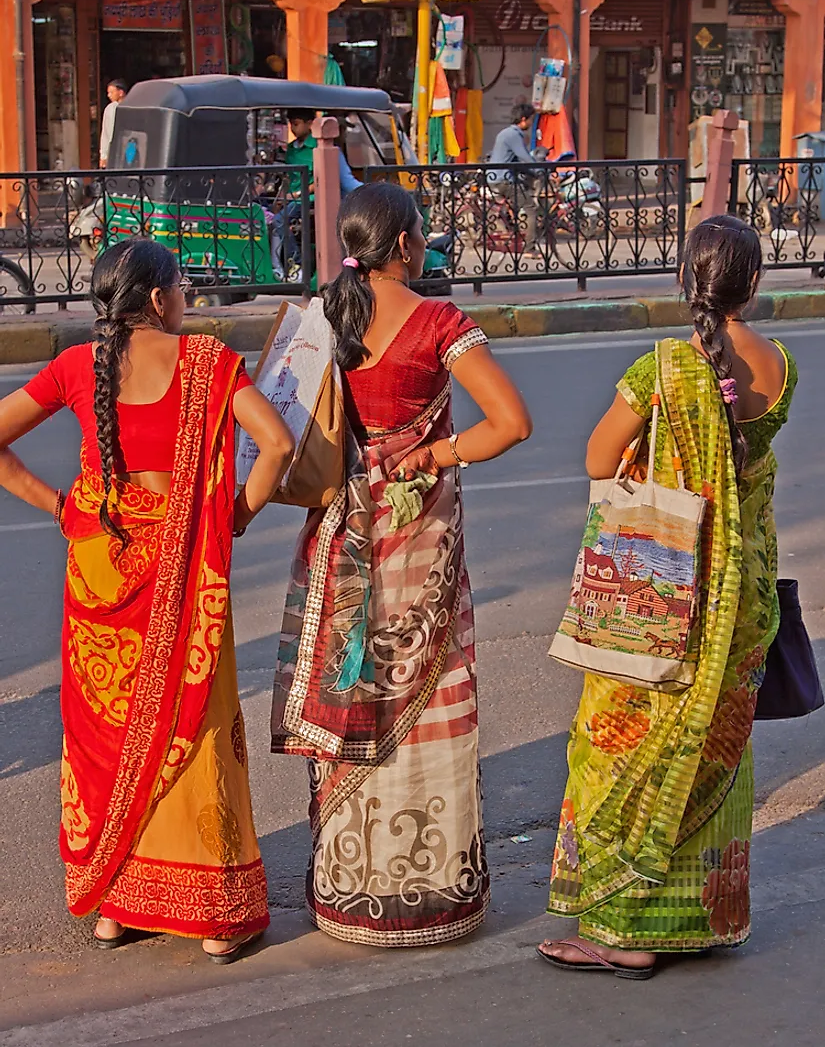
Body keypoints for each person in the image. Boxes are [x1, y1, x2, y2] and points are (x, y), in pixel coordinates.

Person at [0, 239, 294, 963]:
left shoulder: (77, 367)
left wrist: (59, 504)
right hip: (182, 563)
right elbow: (278, 446)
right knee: (191, 725)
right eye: (182, 286)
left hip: (98, 566)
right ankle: (216, 917)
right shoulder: (206, 364)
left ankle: (117, 906)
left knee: (109, 735)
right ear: (160, 299)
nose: (187, 296)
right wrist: (233, 517)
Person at [270, 182, 533, 947]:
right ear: (408, 246)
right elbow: (510, 423)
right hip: (417, 540)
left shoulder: (325, 318)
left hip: (340, 536)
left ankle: (346, 888)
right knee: (429, 687)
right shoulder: (439, 322)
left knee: (352, 688)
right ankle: (427, 896)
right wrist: (435, 451)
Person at [537, 215, 796, 978]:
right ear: (750, 285)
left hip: (663, 598)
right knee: (715, 753)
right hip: (741, 599)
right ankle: (705, 916)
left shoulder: (662, 369)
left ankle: (621, 930)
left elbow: (595, 455)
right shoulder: (780, 364)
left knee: (620, 751)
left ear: (687, 283)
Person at [271, 110, 361, 279]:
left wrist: (297, 194)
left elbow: (321, 179)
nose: (292, 128)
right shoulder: (291, 150)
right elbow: (290, 178)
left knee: (279, 221)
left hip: (311, 199)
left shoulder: (317, 147)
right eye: (291, 124)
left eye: (296, 124)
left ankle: (296, 265)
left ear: (310, 124)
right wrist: (281, 197)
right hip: (295, 199)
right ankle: (278, 267)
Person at [488, 102, 540, 257]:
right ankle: (530, 249)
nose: (531, 124)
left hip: (496, 177)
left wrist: (533, 172)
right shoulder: (514, 135)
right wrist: (540, 168)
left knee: (520, 198)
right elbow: (525, 157)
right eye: (531, 120)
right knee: (531, 208)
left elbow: (515, 161)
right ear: (524, 119)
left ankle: (514, 229)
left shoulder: (505, 133)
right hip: (503, 180)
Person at [99, 79, 127, 169]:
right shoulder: (110, 109)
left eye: (111, 92)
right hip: (113, 150)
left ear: (121, 92)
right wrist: (103, 155)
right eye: (108, 92)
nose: (109, 95)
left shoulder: (131, 106)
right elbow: (106, 133)